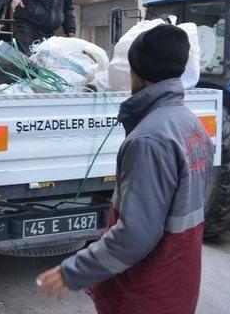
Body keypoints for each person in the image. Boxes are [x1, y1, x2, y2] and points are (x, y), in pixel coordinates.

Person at [37, 24, 213, 314]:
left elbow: (135, 235)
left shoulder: (149, 139)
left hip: (143, 293)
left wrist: (74, 271)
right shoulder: (192, 126)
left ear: (139, 74)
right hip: (178, 284)